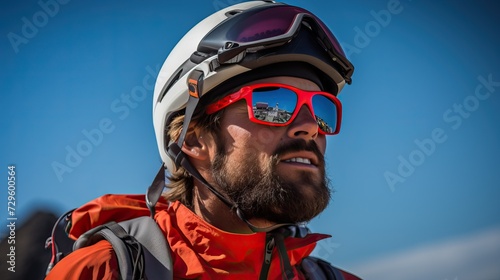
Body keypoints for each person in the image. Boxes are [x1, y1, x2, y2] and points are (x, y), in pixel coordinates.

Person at [45, 1, 359, 279]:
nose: (309, 127)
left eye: (320, 110)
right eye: (273, 106)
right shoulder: (99, 272)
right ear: (194, 140)